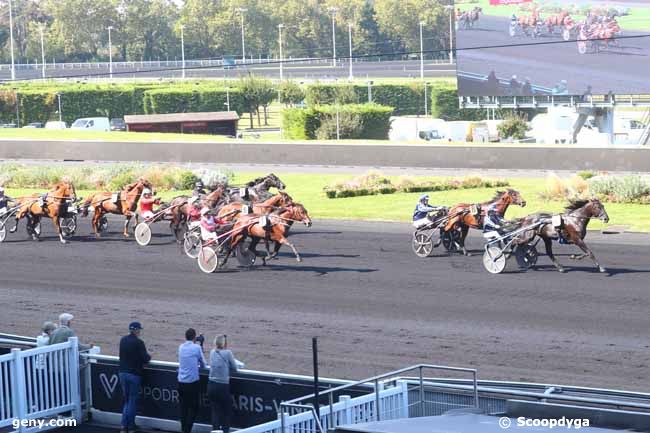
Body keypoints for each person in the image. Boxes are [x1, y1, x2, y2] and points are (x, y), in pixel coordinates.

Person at [207, 335, 244, 433]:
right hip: (222, 386)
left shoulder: (212, 352)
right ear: (224, 344)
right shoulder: (228, 353)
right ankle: (225, 431)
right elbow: (235, 368)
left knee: (215, 411)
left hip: (211, 385)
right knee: (226, 411)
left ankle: (215, 431)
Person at [119, 322, 151, 433]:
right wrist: (149, 355)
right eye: (139, 330)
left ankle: (124, 426)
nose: (140, 332)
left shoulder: (123, 340)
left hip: (122, 373)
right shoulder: (139, 342)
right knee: (131, 401)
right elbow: (146, 359)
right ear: (136, 330)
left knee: (127, 401)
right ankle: (130, 426)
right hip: (133, 374)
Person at [177, 328, 206, 433]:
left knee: (183, 408)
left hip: (181, 382)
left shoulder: (181, 347)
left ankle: (184, 429)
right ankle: (187, 430)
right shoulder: (196, 347)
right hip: (192, 383)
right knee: (194, 407)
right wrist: (200, 344)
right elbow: (203, 364)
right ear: (194, 337)